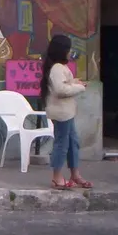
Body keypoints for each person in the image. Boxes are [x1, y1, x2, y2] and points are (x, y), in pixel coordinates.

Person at [40, 34, 90, 190]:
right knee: (62, 143)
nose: (71, 52)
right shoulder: (56, 68)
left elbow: (64, 84)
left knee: (73, 142)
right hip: (61, 113)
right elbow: (61, 89)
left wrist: (74, 82)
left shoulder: (61, 67)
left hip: (67, 112)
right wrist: (80, 87)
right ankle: (57, 176)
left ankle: (75, 173)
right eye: (68, 48)